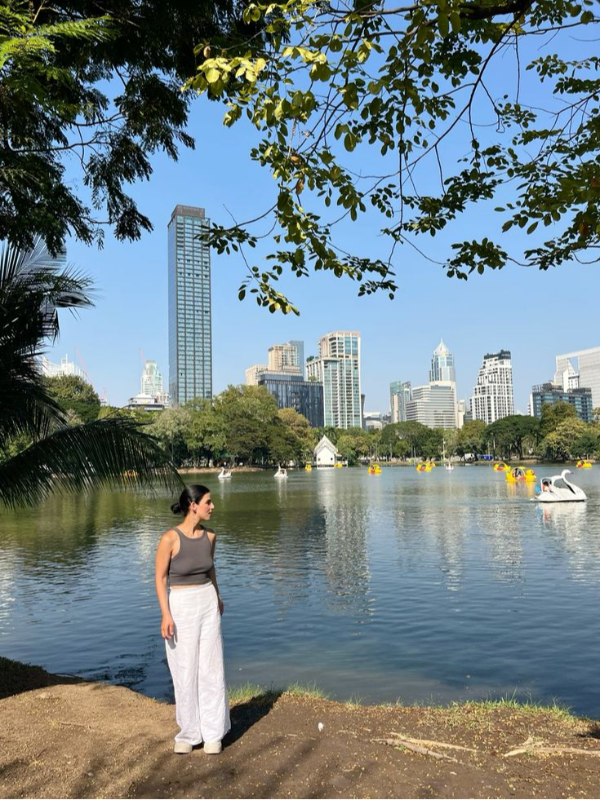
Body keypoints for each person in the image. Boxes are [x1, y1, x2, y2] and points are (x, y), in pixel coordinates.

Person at [155, 485, 230, 755]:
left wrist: (218, 597)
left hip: (207, 603)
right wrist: (165, 613)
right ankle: (188, 732)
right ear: (193, 505)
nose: (213, 507)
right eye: (208, 502)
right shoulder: (169, 539)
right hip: (181, 606)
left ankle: (213, 733)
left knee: (211, 668)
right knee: (184, 669)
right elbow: (161, 578)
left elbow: (211, 570)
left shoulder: (211, 537)